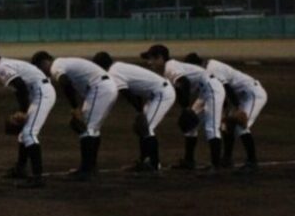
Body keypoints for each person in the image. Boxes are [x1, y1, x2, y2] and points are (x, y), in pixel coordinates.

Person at [0, 43, 55, 188]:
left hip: (42, 93)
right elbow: (20, 89)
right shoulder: (4, 65)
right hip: (38, 92)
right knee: (23, 135)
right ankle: (20, 169)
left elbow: (21, 87)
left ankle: (38, 178)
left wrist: (23, 111)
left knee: (29, 133)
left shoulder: (2, 67)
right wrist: (23, 110)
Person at [32, 50, 117, 180]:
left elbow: (65, 83)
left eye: (39, 68)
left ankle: (86, 170)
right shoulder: (63, 63)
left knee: (85, 128)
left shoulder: (56, 66)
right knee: (92, 129)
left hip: (101, 88)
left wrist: (75, 108)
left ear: (44, 62)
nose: (42, 73)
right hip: (105, 87)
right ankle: (91, 167)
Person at [141, 44, 225, 173]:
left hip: (213, 89)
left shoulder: (170, 67)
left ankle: (216, 165)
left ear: (160, 58)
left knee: (211, 127)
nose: (149, 62)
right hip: (205, 91)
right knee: (190, 127)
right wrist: (185, 108)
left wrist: (185, 108)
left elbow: (185, 83)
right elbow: (181, 87)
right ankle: (189, 161)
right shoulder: (169, 68)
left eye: (151, 58)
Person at [93, 51, 176, 173]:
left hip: (163, 93)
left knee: (147, 127)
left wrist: (139, 111)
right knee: (141, 128)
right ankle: (143, 161)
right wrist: (140, 111)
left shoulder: (113, 73)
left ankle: (154, 163)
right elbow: (135, 90)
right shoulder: (118, 66)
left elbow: (127, 94)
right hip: (156, 94)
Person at [185, 53, 266, 171]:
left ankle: (252, 161)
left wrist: (237, 109)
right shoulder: (205, 71)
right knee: (227, 126)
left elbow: (227, 88)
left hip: (253, 94)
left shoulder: (213, 67)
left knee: (240, 126)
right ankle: (227, 159)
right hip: (238, 97)